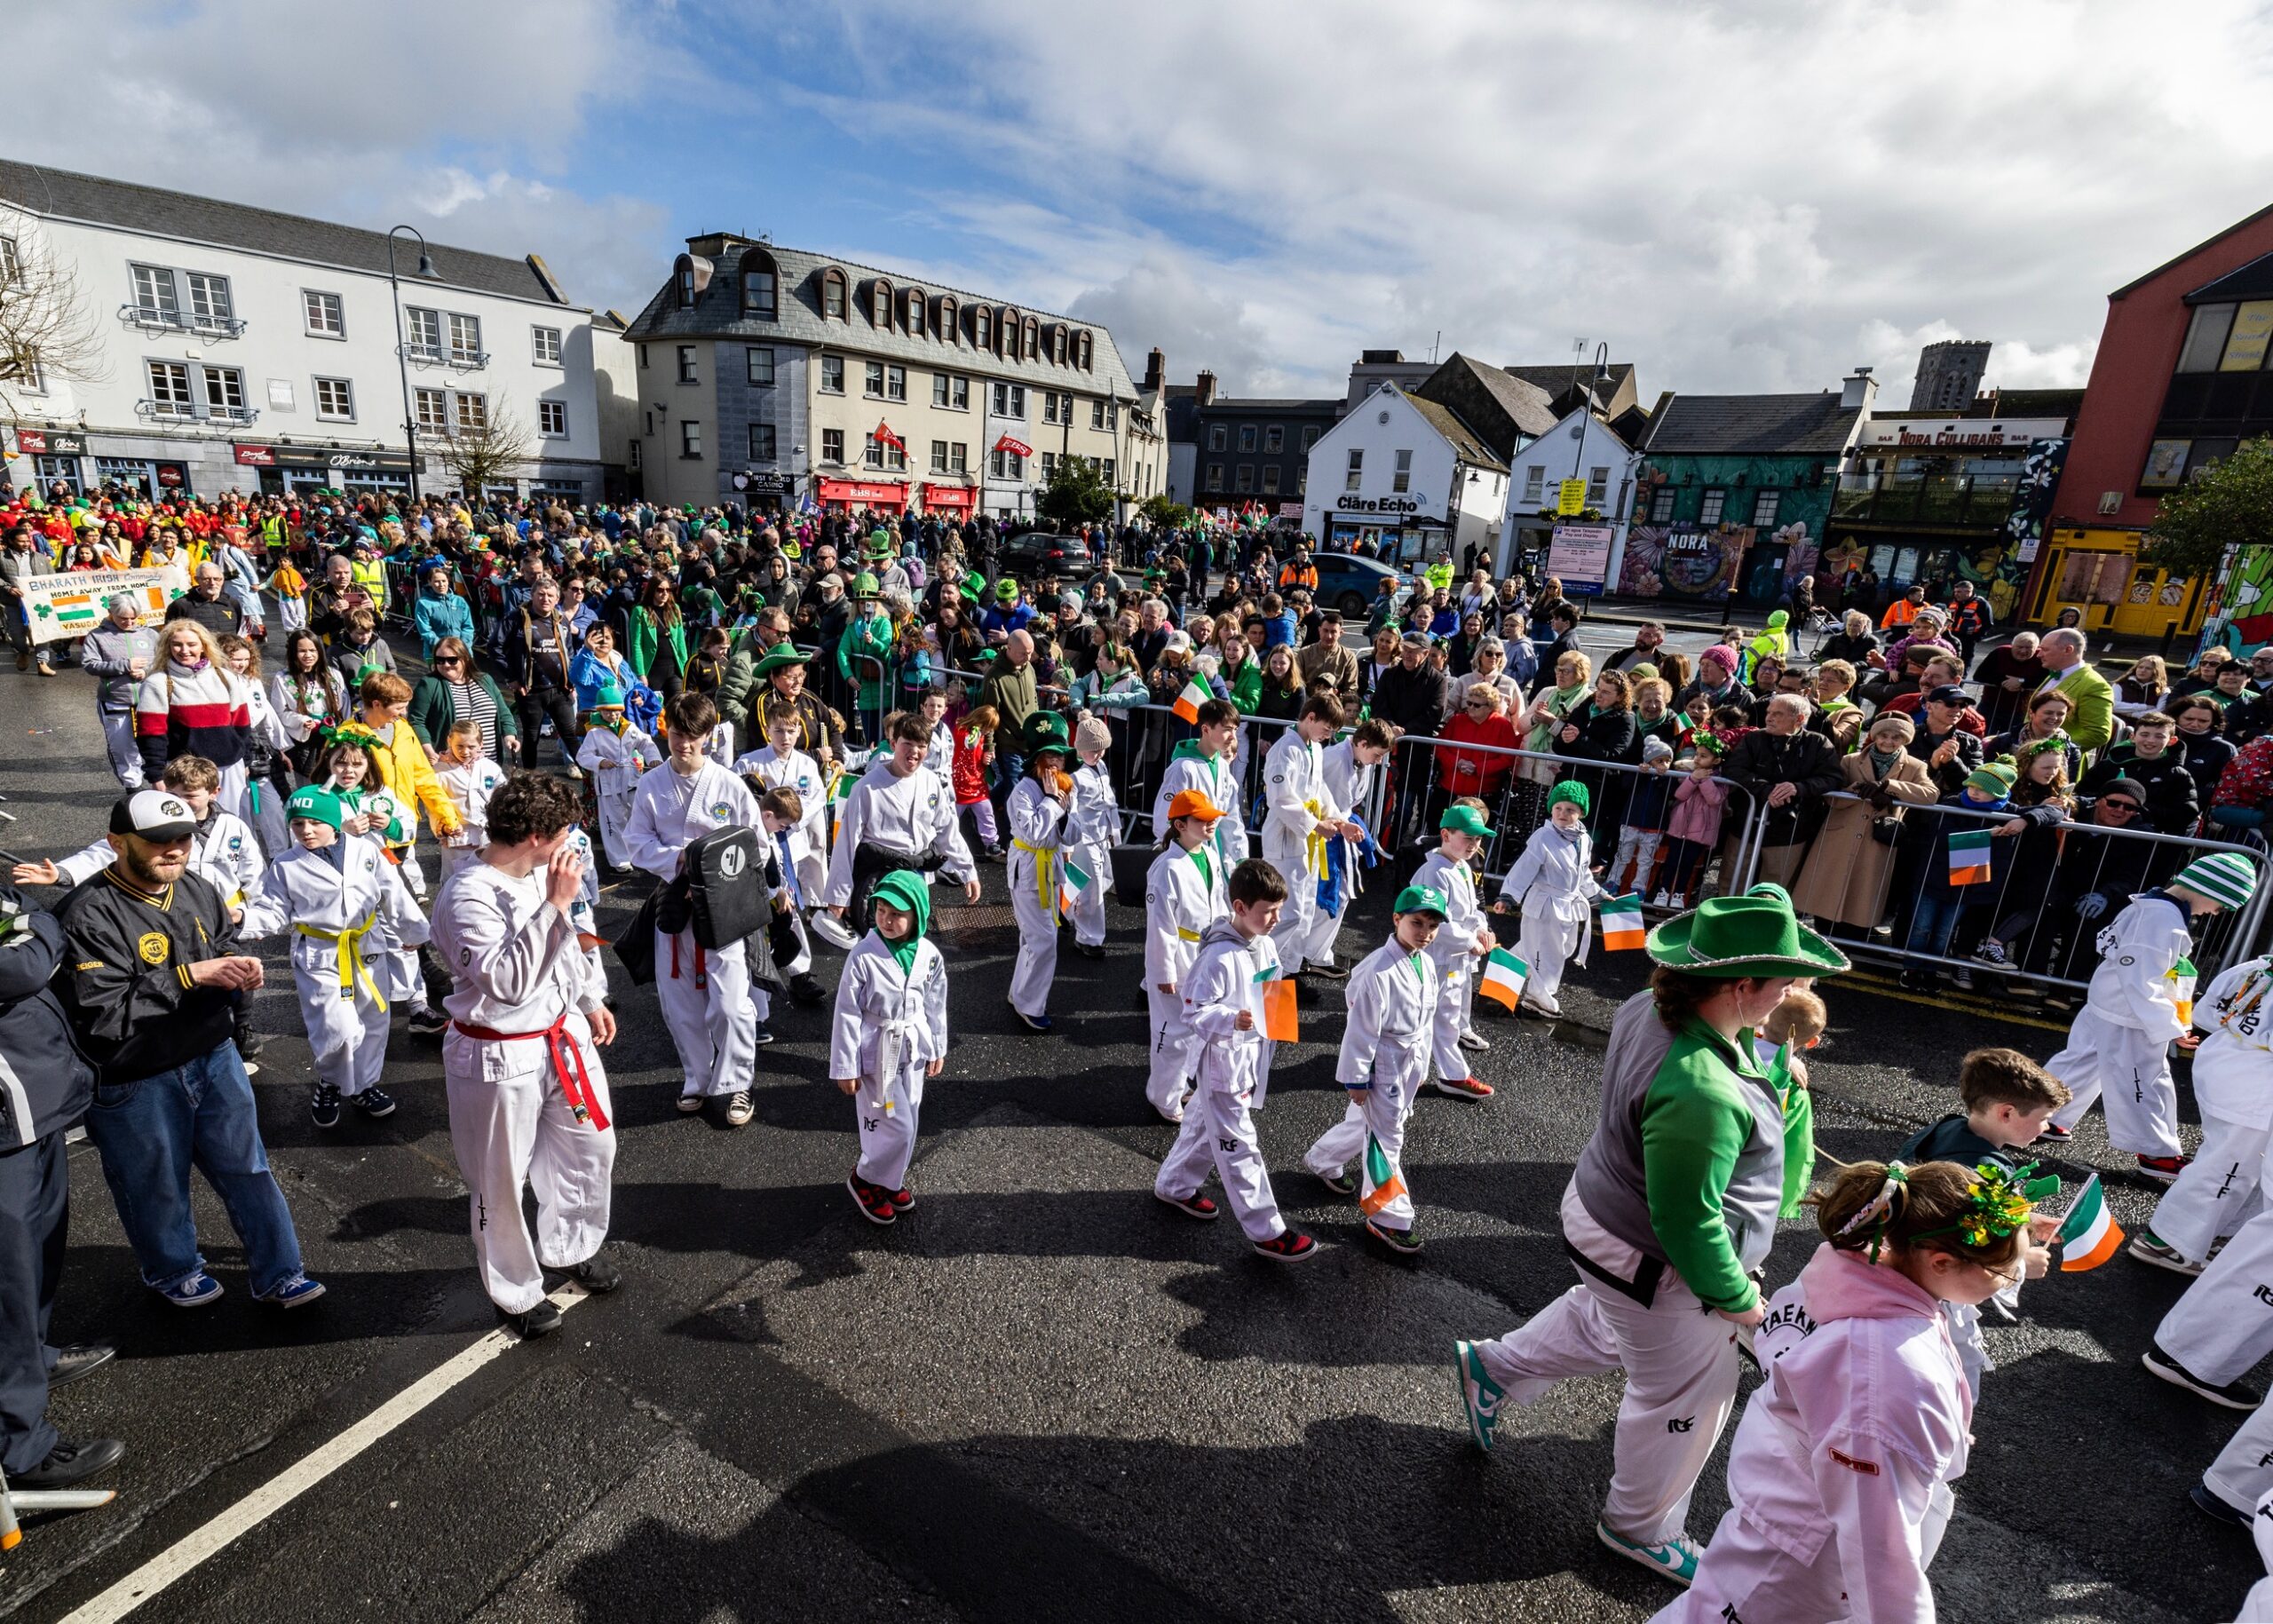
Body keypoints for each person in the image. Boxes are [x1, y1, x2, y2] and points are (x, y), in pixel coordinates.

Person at [1452, 893, 1848, 1588]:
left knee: (1610, 1320)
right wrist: (1737, 1299)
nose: (1795, 991)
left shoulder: (1648, 1007)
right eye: (1784, 978)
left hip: (1602, 1219)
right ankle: (1638, 1527)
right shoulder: (1702, 1089)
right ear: (1740, 986)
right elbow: (1688, 1222)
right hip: (1651, 1254)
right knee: (1688, 1390)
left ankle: (1497, 1366)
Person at [1661, 1159, 2033, 1620]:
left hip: (1787, 1510)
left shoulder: (1860, 1259)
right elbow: (1880, 1547)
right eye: (2006, 1274)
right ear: (1941, 1262)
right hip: (1801, 1557)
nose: (2010, 1278)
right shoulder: (1888, 1376)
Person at [57, 789, 323, 1309]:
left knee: (249, 1170)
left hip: (214, 1057)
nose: (174, 849)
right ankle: (171, 1268)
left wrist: (235, 965)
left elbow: (221, 940)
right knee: (155, 1185)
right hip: (136, 1078)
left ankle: (280, 1272)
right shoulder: (87, 915)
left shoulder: (196, 886)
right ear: (116, 842)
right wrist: (188, 975)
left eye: (182, 838)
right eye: (157, 842)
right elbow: (102, 1014)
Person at [429, 771, 621, 1340]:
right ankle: (514, 1289)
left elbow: (567, 950)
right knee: (499, 1179)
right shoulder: (467, 896)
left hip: (562, 1039)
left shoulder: (540, 874)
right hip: (497, 1056)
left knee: (591, 1147)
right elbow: (507, 982)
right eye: (563, 831)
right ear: (538, 835)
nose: (570, 842)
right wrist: (557, 903)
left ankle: (571, 1243)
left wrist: (589, 999)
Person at [0, 876, 121, 1492]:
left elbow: (26, 925)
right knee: (7, 1286)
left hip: (34, 1103)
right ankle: (20, 1452)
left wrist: (32, 925)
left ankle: (36, 1355)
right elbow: (19, 965)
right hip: (3, 1124)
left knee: (42, 1254)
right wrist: (39, 929)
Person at [2040, 852, 2259, 1182]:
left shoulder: (2148, 905)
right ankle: (2157, 1153)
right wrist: (2171, 1028)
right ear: (2211, 892)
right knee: (2146, 1081)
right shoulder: (2164, 921)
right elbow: (2143, 981)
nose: (2217, 913)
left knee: (2083, 1059)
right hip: (2131, 1015)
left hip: (2107, 1000)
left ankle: (2040, 1112)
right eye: (2223, 906)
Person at [1152, 858, 1318, 1262]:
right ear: (1240, 908)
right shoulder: (1217, 958)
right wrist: (1231, 1018)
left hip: (1249, 1058)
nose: (1276, 918)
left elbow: (1271, 991)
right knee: (1239, 1144)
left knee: (1201, 1128)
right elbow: (1193, 1012)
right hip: (1223, 1065)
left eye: (1279, 909)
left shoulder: (1263, 944)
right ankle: (1267, 1231)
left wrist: (1277, 1023)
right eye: (1268, 911)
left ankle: (1174, 1185)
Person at [237, 786, 428, 1128]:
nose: (306, 831)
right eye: (298, 824)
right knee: (335, 1027)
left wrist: (413, 932)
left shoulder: (365, 852)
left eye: (315, 822)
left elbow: (392, 892)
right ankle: (331, 1079)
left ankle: (364, 1085)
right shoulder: (286, 865)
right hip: (320, 953)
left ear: (334, 822)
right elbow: (274, 912)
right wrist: (242, 920)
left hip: (366, 947)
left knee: (372, 1023)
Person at [623, 692, 764, 1127]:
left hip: (721, 907)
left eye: (693, 736)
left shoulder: (728, 784)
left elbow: (755, 842)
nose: (683, 744)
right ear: (666, 729)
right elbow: (636, 844)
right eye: (677, 733)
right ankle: (696, 1078)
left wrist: (712, 865)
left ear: (708, 736)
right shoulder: (651, 784)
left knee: (730, 1004)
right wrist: (679, 860)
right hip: (672, 905)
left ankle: (738, 1083)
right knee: (678, 1000)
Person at [1301, 884, 1446, 1256]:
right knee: (1386, 1138)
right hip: (1382, 1063)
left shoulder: (1425, 963)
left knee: (1367, 1124)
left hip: (1407, 1060)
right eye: (1416, 923)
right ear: (1397, 919)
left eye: (1432, 925)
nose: (1425, 933)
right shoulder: (1376, 971)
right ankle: (1388, 1216)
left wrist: (1422, 1064)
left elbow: (1426, 1021)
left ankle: (1322, 1159)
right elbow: (1361, 1028)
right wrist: (1357, 1077)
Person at [2130, 954, 2273, 1274]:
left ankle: (2218, 1236)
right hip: (2256, 1087)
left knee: (2244, 1166)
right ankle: (2168, 1242)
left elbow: (2208, 1013)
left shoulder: (2260, 965)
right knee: (2227, 1168)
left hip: (2226, 1064)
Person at [830, 870, 951, 1225]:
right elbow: (847, 1012)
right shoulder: (863, 955)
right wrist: (846, 1066)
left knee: (909, 1117)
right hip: (875, 1052)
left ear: (918, 915)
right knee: (892, 1124)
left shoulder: (928, 954)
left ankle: (889, 1179)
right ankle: (865, 1178)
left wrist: (938, 1046)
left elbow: (935, 1002)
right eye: (881, 909)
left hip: (913, 1047)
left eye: (897, 913)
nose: (887, 919)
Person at [817, 710, 981, 947]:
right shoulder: (867, 788)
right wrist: (839, 896)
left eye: (921, 746)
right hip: (880, 878)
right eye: (908, 744)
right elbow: (846, 844)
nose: (914, 752)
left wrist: (968, 870)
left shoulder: (930, 781)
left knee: (912, 945)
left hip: (917, 876)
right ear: (894, 743)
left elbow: (947, 830)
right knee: (883, 947)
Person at [1790, 712, 1939, 930]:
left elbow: (1931, 794)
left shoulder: (1915, 766)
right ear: (1874, 736)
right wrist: (1855, 791)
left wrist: (1889, 787)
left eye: (1896, 737)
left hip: (1876, 840)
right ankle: (1820, 936)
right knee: (1826, 893)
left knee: (1862, 896)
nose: (1888, 741)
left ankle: (1850, 945)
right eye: (1884, 735)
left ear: (1905, 740)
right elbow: (1831, 796)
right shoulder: (1850, 760)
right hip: (1840, 836)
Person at [1142, 790, 1232, 1124]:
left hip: (1204, 950)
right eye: (1202, 819)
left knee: (1195, 1028)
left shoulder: (1207, 854)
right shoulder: (1165, 868)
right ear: (1180, 825)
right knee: (1172, 1032)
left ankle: (1179, 1086)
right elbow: (1161, 927)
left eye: (1212, 818)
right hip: (1179, 953)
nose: (1211, 823)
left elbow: (1219, 901)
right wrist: (1164, 972)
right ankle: (1163, 1096)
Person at [1263, 694, 1362, 976]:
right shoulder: (1285, 750)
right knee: (1287, 913)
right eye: (1327, 728)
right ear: (1310, 717)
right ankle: (1265, 970)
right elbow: (1280, 799)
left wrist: (1341, 822)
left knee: (1305, 910)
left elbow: (1320, 789)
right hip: (1285, 840)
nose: (1329, 735)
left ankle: (1290, 971)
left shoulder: (1314, 749)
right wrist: (1316, 825)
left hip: (1308, 841)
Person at [1495, 781, 1604, 1019]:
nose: (1563, 814)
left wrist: (1595, 892)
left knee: (1546, 947)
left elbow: (1583, 871)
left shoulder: (1584, 838)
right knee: (1550, 953)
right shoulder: (1542, 837)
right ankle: (1538, 995)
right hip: (1545, 904)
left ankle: (1501, 979)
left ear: (1581, 813)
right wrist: (1509, 896)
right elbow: (1525, 868)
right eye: (1558, 808)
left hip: (1568, 905)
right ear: (1551, 809)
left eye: (1570, 810)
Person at [1410, 804, 1498, 1097]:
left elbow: (1471, 910)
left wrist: (1482, 929)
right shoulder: (1434, 871)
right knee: (1419, 1016)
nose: (1474, 845)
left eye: (1478, 839)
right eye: (1468, 837)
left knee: (1445, 1017)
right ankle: (1408, 1071)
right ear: (1445, 834)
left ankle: (1450, 1075)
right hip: (1434, 958)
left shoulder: (1460, 865)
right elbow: (1437, 922)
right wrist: (1469, 941)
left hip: (1453, 959)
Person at [1722, 693, 1842, 889]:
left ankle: (1767, 919)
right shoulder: (1754, 738)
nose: (1769, 717)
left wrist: (1798, 788)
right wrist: (1766, 790)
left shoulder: (1818, 743)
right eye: (1769, 712)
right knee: (1733, 879)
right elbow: (1734, 769)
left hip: (1789, 829)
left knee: (1774, 886)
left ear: (1800, 719)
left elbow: (1833, 778)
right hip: (1747, 823)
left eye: (1778, 714)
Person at [1005, 712, 1074, 1034]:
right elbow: (1032, 832)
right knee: (1044, 940)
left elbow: (1073, 835)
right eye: (1049, 756)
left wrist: (1064, 812)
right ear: (1036, 760)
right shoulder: (1022, 791)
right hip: (1028, 871)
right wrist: (1050, 803)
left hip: (1051, 871)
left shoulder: (1065, 789)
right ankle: (1030, 1004)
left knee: (1033, 939)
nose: (1056, 763)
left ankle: (1020, 993)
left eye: (1060, 755)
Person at [575, 679, 661, 873]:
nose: (612, 715)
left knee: (637, 817)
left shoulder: (629, 727)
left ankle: (640, 853)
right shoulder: (594, 732)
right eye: (607, 711)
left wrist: (653, 758)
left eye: (616, 711)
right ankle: (620, 859)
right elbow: (583, 756)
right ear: (600, 711)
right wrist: (599, 762)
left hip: (630, 780)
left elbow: (645, 743)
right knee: (613, 822)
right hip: (608, 784)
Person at [82, 594, 160, 788]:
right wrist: (125, 666)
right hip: (115, 701)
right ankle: (132, 787)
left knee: (153, 745)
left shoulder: (150, 634)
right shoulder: (96, 636)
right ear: (110, 613)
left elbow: (163, 661)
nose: (129, 622)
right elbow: (90, 665)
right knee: (123, 748)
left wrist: (146, 671)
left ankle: (159, 785)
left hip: (149, 700)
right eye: (123, 618)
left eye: (134, 618)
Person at [1063, 716, 1119, 960]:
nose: (1098, 754)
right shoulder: (1075, 775)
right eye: (1093, 749)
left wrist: (1115, 833)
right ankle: (1089, 938)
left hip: (1101, 834)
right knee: (1091, 886)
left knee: (1102, 879)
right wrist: (1068, 843)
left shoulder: (1102, 767)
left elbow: (1110, 803)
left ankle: (1065, 913)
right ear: (1080, 748)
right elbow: (1069, 811)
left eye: (1102, 749)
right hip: (1083, 837)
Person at [435, 720, 511, 883]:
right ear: (449, 741)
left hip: (489, 834)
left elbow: (504, 795)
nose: (465, 751)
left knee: (488, 878)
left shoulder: (490, 767)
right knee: (456, 881)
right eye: (460, 746)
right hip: (458, 835)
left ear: (481, 744)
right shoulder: (440, 771)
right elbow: (434, 805)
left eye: (471, 747)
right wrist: (443, 827)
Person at [2031, 626, 2114, 756]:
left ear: (2068, 650)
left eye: (2045, 649)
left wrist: (2047, 749)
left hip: (2058, 765)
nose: (2039, 654)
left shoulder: (2094, 685)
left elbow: (2098, 734)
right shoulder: (2053, 674)